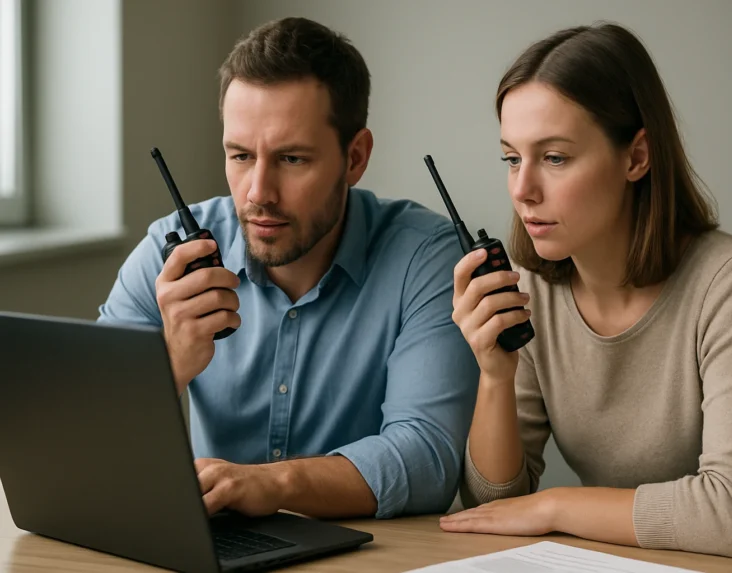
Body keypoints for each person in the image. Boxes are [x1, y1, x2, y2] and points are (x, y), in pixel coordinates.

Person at [438, 22, 732, 558]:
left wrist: (555, 506)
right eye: (512, 158)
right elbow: (493, 505)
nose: (522, 190)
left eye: (554, 158)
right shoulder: (531, 292)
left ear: (636, 157)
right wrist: (496, 375)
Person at [97, 17, 480, 520]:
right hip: (214, 545)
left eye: (292, 159)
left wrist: (272, 484)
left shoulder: (425, 259)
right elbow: (87, 443)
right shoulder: (167, 256)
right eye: (240, 156)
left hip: (372, 552)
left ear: (355, 157)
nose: (258, 192)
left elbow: (428, 459)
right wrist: (171, 364)